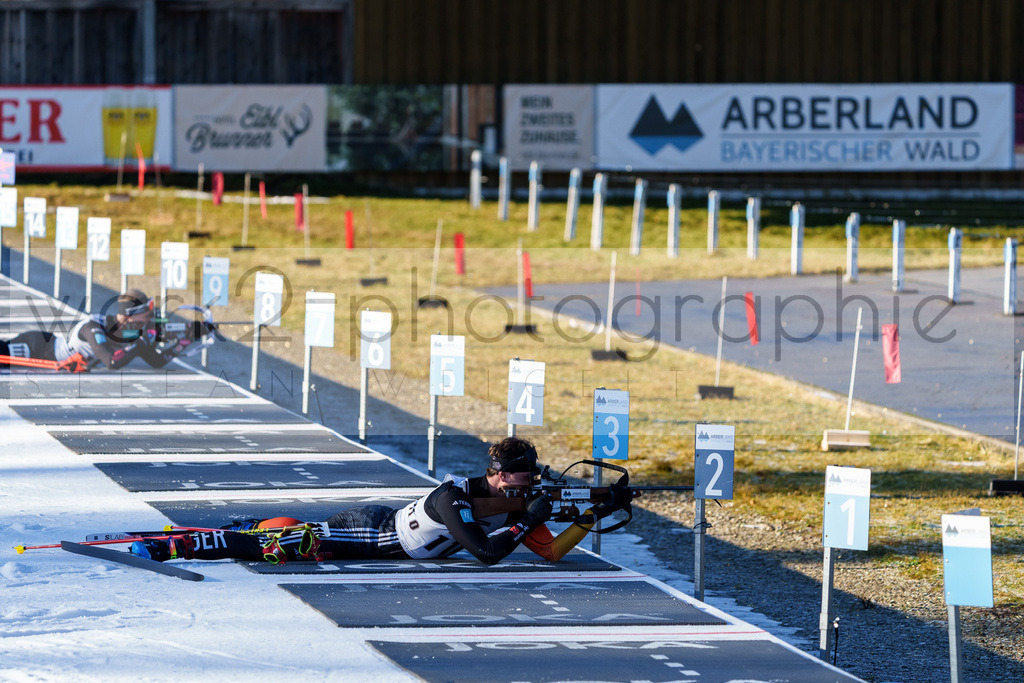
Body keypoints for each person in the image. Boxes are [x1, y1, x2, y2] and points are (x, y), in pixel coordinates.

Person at [131, 437, 629, 566]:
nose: (531, 485)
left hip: (384, 535)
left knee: (289, 533)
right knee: (289, 545)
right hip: (372, 532)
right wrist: (526, 521)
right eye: (524, 478)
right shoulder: (452, 497)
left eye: (533, 479)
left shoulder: (516, 502)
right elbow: (487, 553)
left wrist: (589, 515)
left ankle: (246, 525)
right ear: (498, 475)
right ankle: (175, 545)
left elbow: (552, 551)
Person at [0, 290, 194, 371]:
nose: (151, 319)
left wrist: (187, 339)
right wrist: (143, 341)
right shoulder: (93, 326)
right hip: (37, 349)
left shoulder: (132, 333)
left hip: (46, 346)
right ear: (130, 315)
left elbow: (157, 361)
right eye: (148, 314)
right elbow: (112, 361)